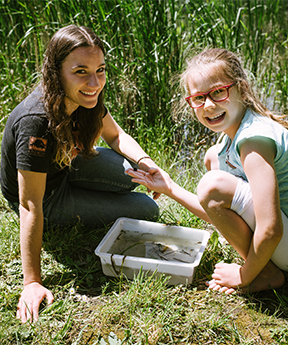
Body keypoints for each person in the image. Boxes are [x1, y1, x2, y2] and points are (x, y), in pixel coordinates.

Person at [0, 25, 160, 323]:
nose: (94, 82)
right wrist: (32, 282)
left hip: (66, 166)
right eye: (81, 71)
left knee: (132, 172)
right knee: (147, 209)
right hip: (46, 197)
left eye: (100, 70)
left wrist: (145, 161)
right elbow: (29, 204)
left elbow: (116, 136)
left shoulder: (87, 98)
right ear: (55, 71)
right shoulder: (36, 121)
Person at [127, 48, 288, 296]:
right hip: (281, 242)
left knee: (213, 184)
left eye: (218, 92)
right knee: (213, 160)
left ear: (241, 89)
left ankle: (265, 272)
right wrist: (169, 188)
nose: (209, 105)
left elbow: (271, 229)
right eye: (199, 98)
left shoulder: (253, 142)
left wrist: (245, 274)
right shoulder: (226, 143)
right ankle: (261, 262)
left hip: (281, 239)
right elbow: (216, 211)